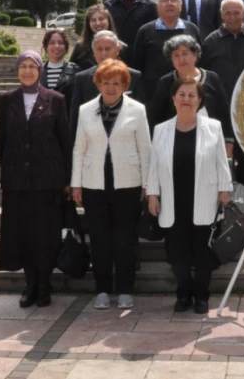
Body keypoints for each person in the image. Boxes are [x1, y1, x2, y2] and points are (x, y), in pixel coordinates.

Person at [146, 78, 234, 315]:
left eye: (191, 95)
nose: (186, 99)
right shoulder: (161, 129)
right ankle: (183, 293)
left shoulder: (213, 127)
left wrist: (225, 189)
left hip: (204, 198)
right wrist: (152, 194)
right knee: (177, 254)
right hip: (172, 201)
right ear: (173, 99)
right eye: (181, 94)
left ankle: (202, 296)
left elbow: (221, 162)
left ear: (199, 100)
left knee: (202, 252)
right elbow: (153, 166)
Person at [0, 51, 72, 309]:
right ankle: (30, 285)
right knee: (23, 233)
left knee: (46, 234)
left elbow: (64, 140)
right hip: (17, 182)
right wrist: (14, 166)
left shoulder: (56, 99)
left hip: (49, 180)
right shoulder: (6, 100)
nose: (27, 71)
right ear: (17, 70)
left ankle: (45, 285)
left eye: (32, 66)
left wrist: (67, 179)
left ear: (40, 70)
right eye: (23, 66)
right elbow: (0, 140)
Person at [70, 59, 152, 311]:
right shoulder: (85, 110)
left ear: (125, 84)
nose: (111, 87)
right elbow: (78, 148)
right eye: (106, 83)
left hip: (128, 183)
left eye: (116, 83)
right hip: (94, 183)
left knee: (125, 239)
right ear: (98, 83)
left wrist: (148, 184)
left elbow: (145, 149)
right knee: (99, 239)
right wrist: (76, 184)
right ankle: (102, 289)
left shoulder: (137, 109)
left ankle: (126, 289)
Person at [201, 0, 244, 211]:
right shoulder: (210, 42)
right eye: (227, 13)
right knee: (222, 156)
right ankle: (223, 199)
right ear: (221, 15)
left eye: (236, 12)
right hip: (220, 108)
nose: (232, 17)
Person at [148, 35, 233, 150]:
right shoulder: (165, 82)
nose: (181, 59)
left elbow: (224, 112)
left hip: (211, 142)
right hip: (175, 144)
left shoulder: (212, 78)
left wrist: (228, 142)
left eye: (185, 53)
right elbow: (155, 117)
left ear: (195, 54)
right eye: (176, 55)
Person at [129, 0, 201, 101]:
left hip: (187, 93)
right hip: (154, 93)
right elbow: (137, 65)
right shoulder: (145, 31)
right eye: (165, 0)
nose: (169, 3)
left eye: (173, 0)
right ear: (157, 6)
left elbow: (199, 61)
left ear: (181, 6)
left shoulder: (192, 29)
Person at [69, 31, 143, 135]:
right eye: (99, 49)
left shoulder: (134, 77)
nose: (104, 54)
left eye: (108, 49)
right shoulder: (82, 79)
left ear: (117, 50)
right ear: (93, 52)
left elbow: (141, 117)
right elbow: (75, 120)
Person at [70, 5, 116, 70]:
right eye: (93, 20)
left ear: (108, 20)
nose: (98, 23)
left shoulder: (121, 47)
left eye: (101, 19)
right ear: (88, 24)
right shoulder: (80, 47)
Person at [40, 29, 79, 102]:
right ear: (46, 47)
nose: (57, 46)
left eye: (61, 43)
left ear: (66, 47)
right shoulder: (38, 71)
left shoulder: (76, 70)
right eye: (52, 43)